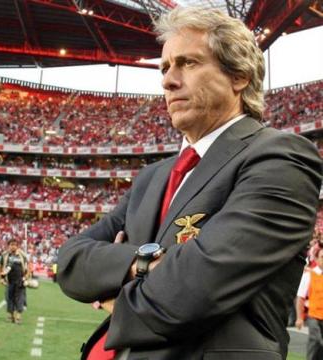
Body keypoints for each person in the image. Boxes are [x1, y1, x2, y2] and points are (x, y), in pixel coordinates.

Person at [57, 6, 322, 360]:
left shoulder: (281, 157)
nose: (168, 80)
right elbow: (70, 262)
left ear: (239, 74)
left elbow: (191, 290)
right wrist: (144, 265)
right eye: (165, 67)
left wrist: (115, 289)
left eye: (189, 63)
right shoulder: (154, 175)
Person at [296, 248, 323, 360]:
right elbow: (301, 297)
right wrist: (299, 318)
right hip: (314, 316)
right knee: (316, 340)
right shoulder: (309, 274)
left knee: (319, 347)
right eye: (322, 257)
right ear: (316, 259)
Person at [0, 239, 29, 324]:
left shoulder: (22, 255)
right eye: (11, 245)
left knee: (20, 298)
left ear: (17, 246)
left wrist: (26, 276)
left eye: (15, 245)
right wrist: (0, 278)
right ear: (8, 246)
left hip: (20, 280)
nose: (13, 246)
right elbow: (0, 267)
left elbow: (28, 267)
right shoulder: (4, 255)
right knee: (9, 298)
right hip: (9, 281)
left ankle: (18, 316)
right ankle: (10, 315)